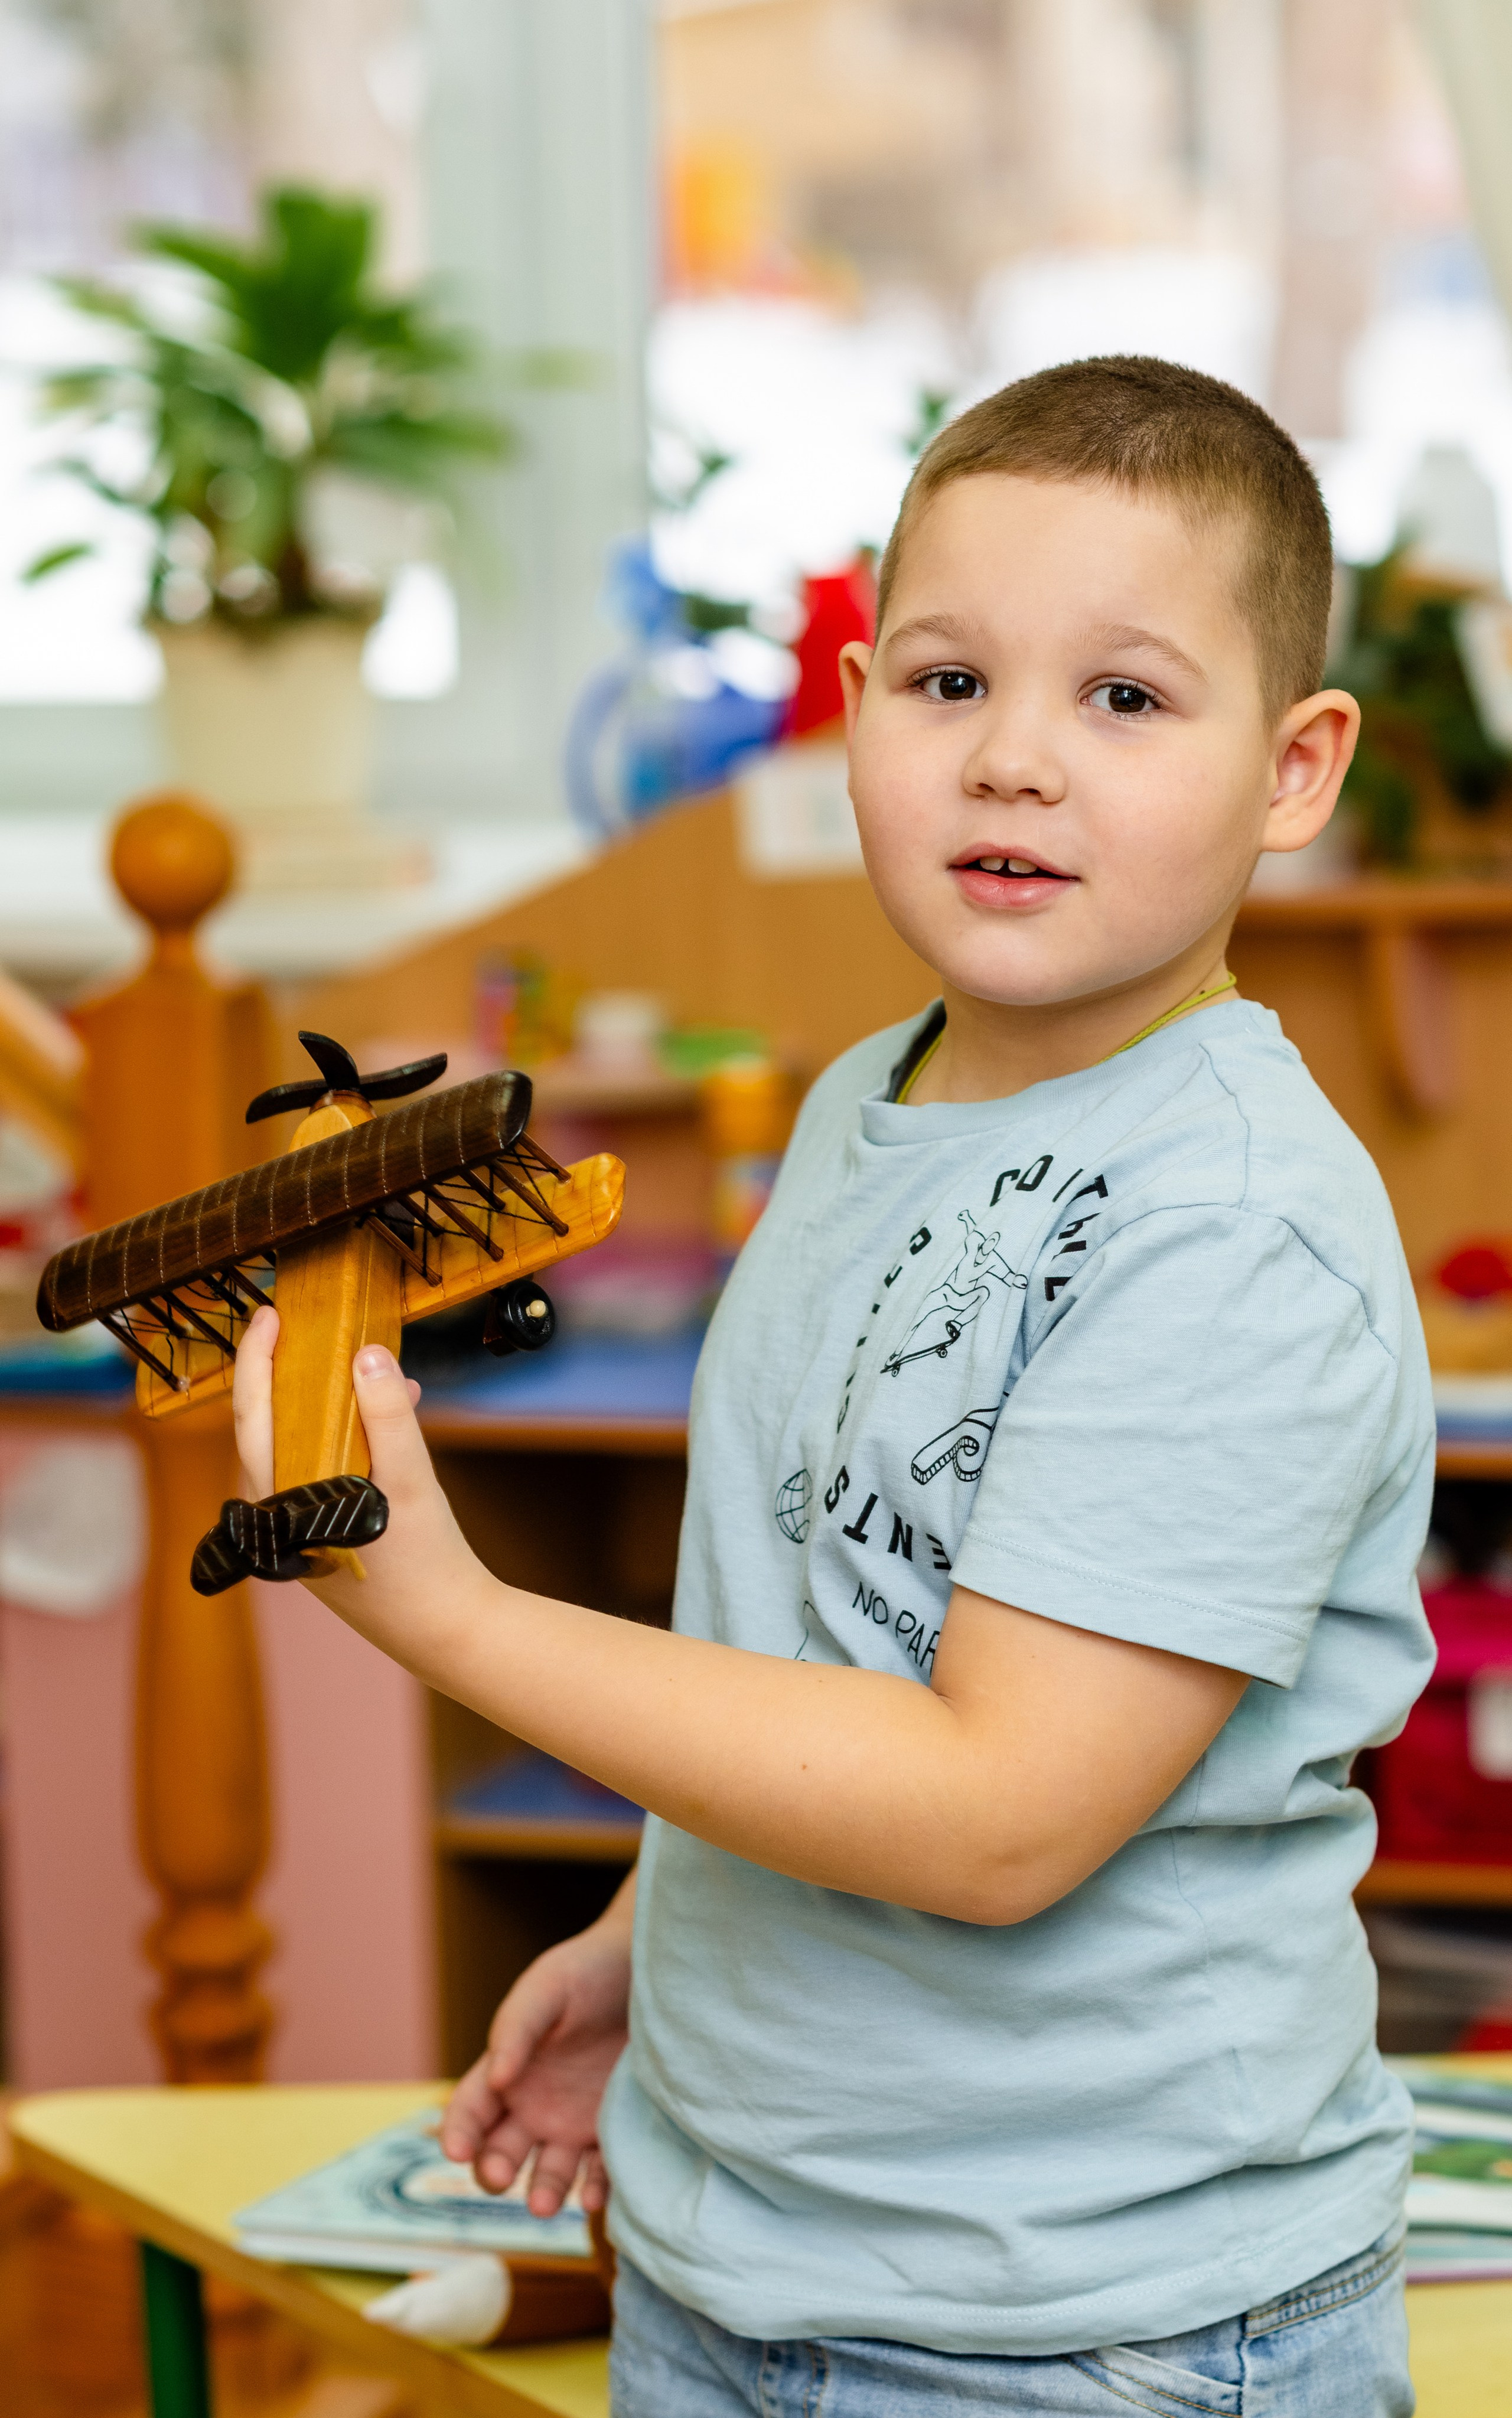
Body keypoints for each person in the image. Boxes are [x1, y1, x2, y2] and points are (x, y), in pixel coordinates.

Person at [235, 356, 1434, 2416]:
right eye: (950, 686)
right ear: (860, 702)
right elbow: (812, 1626)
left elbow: (992, 1819)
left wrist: (459, 1623)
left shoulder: (1232, 1225)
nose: (1016, 765)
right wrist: (652, 1940)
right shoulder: (863, 1104)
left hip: (1094, 2335)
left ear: (1296, 768)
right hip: (735, 2263)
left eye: (1126, 699)